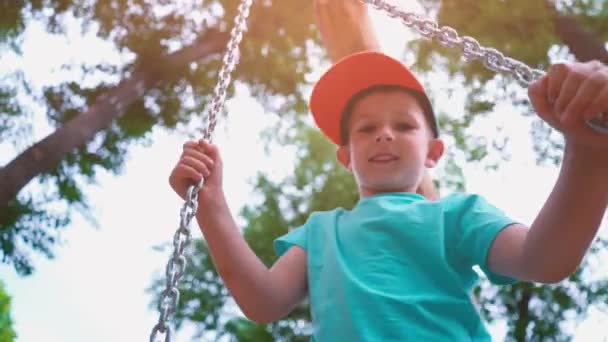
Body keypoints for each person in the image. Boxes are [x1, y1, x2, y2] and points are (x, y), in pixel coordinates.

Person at [168, 2, 608, 340]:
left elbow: (545, 259)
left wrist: (588, 152)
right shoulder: (320, 234)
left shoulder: (456, 215)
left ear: (433, 152)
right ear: (346, 156)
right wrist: (212, 205)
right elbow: (263, 302)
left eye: (403, 125)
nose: (384, 135)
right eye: (366, 128)